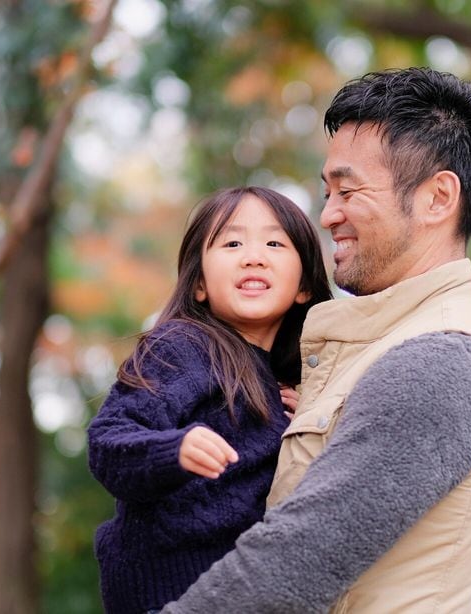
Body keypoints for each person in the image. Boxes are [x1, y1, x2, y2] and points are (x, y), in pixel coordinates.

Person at [163, 68, 471, 613]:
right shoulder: (371, 347)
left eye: (348, 190)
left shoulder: (442, 360)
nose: (327, 215)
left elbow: (292, 563)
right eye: (326, 191)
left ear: (437, 198)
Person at [86, 186, 332, 614]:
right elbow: (108, 442)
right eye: (232, 243)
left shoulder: (291, 386)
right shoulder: (182, 346)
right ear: (199, 283)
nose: (253, 256)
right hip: (168, 590)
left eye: (274, 243)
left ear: (305, 286)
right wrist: (173, 449)